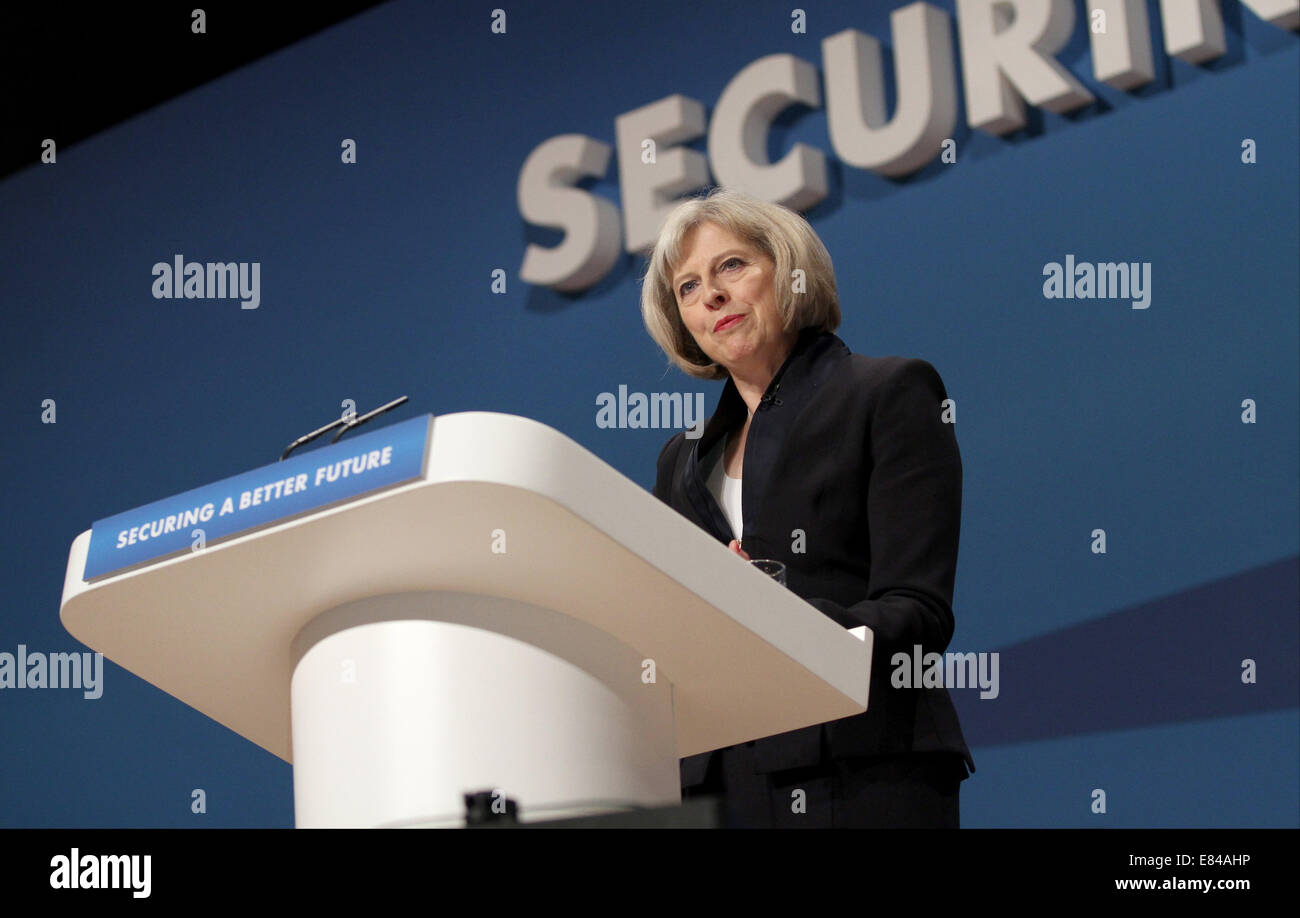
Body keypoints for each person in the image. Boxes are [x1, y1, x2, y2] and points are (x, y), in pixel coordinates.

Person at [642, 186, 974, 828]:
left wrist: (775, 616)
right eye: (687, 287)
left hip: (861, 763)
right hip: (720, 781)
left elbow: (918, 613)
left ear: (790, 271)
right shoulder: (679, 462)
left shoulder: (889, 393)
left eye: (730, 266)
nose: (709, 295)